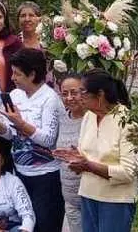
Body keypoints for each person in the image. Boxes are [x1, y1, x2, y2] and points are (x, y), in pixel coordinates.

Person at [53, 69, 138, 232]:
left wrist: (88, 165)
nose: (79, 97)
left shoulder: (127, 121)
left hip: (116, 200)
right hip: (87, 194)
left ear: (100, 95)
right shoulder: (89, 116)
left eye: (82, 92)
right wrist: (75, 159)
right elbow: (87, 154)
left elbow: (129, 172)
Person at [0, 48, 64, 232]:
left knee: (46, 224)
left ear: (32, 74)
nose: (13, 78)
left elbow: (48, 139)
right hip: (21, 173)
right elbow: (8, 134)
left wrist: (21, 123)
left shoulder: (50, 99)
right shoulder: (15, 95)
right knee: (26, 224)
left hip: (46, 176)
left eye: (17, 74)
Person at [56, 74, 88, 232]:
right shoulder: (62, 118)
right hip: (69, 197)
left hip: (90, 196)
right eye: (64, 93)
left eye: (74, 93)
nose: (69, 98)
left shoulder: (93, 119)